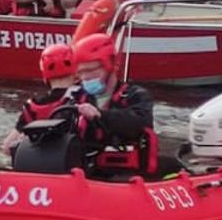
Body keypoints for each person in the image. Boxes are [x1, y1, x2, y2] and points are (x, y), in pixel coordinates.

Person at [71, 33, 179, 178]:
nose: (85, 77)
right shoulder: (76, 97)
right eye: (80, 72)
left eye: (90, 70)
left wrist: (100, 115)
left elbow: (140, 121)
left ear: (109, 65)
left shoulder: (135, 95)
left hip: (128, 175)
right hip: (89, 173)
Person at [1, 42, 86, 158]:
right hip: (69, 164)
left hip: (37, 166)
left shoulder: (31, 106)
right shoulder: (82, 97)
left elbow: (7, 147)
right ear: (75, 72)